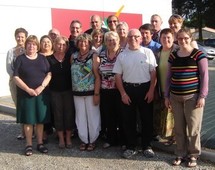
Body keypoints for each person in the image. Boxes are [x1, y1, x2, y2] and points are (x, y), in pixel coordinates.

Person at [164, 28, 209, 167]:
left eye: (186, 38)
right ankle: (180, 153)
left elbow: (204, 76)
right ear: (177, 39)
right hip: (175, 97)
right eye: (180, 38)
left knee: (193, 127)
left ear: (190, 38)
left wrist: (202, 96)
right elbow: (168, 77)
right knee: (179, 127)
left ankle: (193, 154)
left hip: (193, 97)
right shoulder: (173, 55)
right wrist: (166, 96)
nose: (183, 41)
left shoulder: (198, 55)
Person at [113, 29, 157, 159]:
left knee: (146, 119)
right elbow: (117, 76)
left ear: (141, 38)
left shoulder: (147, 52)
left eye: (137, 36)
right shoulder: (122, 55)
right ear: (127, 38)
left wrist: (151, 91)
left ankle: (147, 146)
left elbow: (153, 73)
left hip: (145, 89)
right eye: (131, 36)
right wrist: (123, 94)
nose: (134, 39)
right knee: (128, 120)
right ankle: (131, 146)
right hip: (128, 90)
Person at [13, 35, 51, 156]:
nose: (31, 46)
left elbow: (49, 74)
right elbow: (15, 77)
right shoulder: (20, 59)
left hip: (41, 94)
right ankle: (28, 145)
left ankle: (40, 143)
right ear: (26, 45)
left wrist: (42, 87)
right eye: (29, 44)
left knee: (40, 120)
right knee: (28, 121)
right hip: (26, 95)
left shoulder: (42, 58)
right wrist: (28, 89)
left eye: (34, 44)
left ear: (37, 46)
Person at [71, 33, 101, 151]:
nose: (83, 44)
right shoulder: (73, 56)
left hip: (90, 92)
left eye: (86, 42)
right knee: (80, 117)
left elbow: (97, 76)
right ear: (77, 43)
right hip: (77, 93)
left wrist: (96, 94)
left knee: (93, 116)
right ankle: (84, 140)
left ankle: (93, 140)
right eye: (81, 41)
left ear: (89, 43)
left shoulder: (94, 56)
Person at [99, 31, 125, 149]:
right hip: (105, 90)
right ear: (105, 42)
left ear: (118, 40)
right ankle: (111, 139)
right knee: (109, 116)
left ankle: (124, 140)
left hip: (121, 90)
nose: (111, 42)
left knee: (122, 116)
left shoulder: (123, 53)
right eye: (109, 40)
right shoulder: (102, 54)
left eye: (114, 39)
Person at [47, 36, 74, 149]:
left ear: (66, 46)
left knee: (69, 114)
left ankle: (68, 137)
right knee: (58, 115)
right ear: (54, 45)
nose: (61, 46)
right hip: (54, 91)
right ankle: (61, 138)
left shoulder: (70, 57)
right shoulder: (49, 59)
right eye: (59, 44)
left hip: (68, 90)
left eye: (63, 44)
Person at [154, 28, 179, 144]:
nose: (166, 40)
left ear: (173, 38)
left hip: (175, 89)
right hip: (161, 88)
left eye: (168, 37)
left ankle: (175, 138)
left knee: (174, 114)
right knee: (164, 114)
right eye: (163, 37)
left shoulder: (178, 51)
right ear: (160, 39)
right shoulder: (157, 53)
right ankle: (167, 136)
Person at [6, 27, 28, 140]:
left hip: (28, 82)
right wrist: (16, 78)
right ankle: (22, 131)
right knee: (19, 106)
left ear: (26, 37)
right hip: (15, 82)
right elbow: (9, 68)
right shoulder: (11, 51)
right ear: (15, 37)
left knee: (28, 106)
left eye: (22, 37)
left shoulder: (29, 49)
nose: (20, 38)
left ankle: (31, 131)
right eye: (18, 36)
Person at [39, 35, 54, 143]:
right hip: (42, 87)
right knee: (44, 110)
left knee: (54, 109)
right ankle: (44, 133)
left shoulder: (55, 54)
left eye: (48, 42)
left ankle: (55, 130)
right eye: (43, 42)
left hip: (55, 86)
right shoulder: (37, 56)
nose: (46, 44)